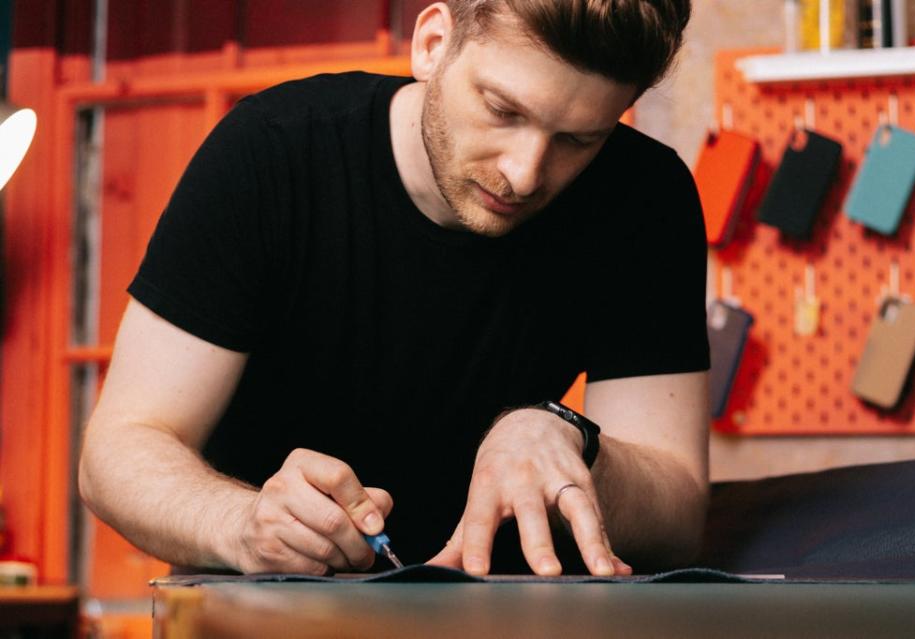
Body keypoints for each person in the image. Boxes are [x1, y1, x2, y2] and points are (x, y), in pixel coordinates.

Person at [78, 0, 708, 578]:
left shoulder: (645, 201)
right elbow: (119, 451)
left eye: (578, 139)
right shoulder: (271, 153)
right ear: (433, 44)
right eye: (502, 110)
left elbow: (677, 517)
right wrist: (241, 524)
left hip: (490, 615)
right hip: (263, 607)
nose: (524, 172)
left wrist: (567, 437)